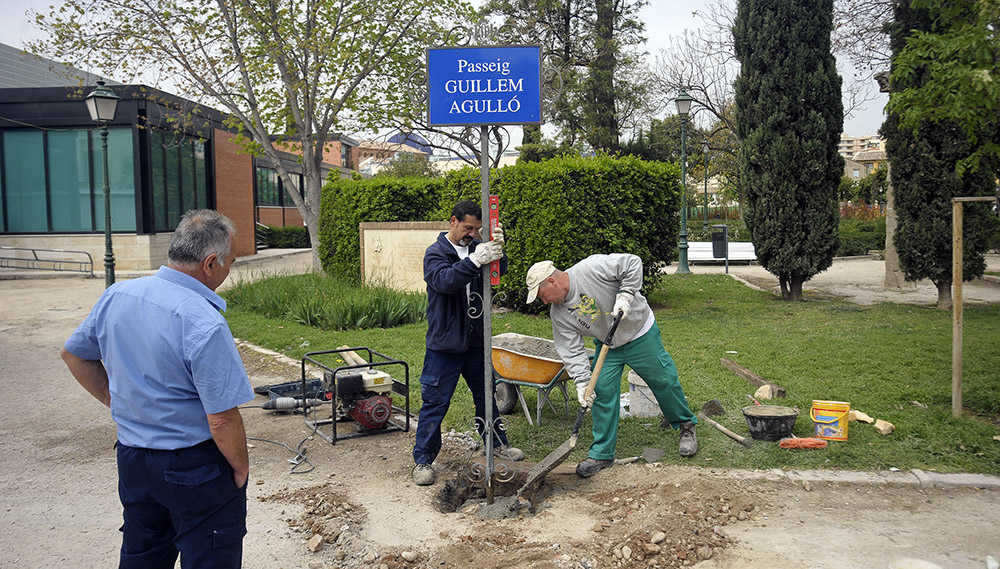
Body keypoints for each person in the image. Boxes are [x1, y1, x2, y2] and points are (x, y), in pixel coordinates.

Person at [60, 209, 254, 569]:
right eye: (231, 262)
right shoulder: (202, 320)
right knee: (210, 557)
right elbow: (222, 419)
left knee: (143, 556)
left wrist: (117, 401)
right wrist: (240, 469)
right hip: (194, 465)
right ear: (211, 263)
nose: (230, 270)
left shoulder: (118, 295)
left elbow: (74, 354)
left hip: (134, 460)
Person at [525, 253, 698, 478]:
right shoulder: (559, 314)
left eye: (541, 295)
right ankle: (602, 453)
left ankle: (685, 426)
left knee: (663, 380)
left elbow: (632, 262)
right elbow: (571, 349)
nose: (544, 301)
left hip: (639, 331)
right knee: (600, 391)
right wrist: (581, 382)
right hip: (609, 345)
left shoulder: (591, 268)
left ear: (552, 281)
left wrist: (625, 295)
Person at [412, 200, 525, 486]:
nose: (472, 234)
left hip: (475, 341)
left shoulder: (478, 248)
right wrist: (475, 260)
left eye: (476, 229)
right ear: (452, 222)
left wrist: (499, 251)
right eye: (467, 228)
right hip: (445, 344)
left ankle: (497, 444)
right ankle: (423, 460)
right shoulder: (436, 253)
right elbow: (445, 282)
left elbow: (498, 275)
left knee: (486, 395)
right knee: (435, 402)